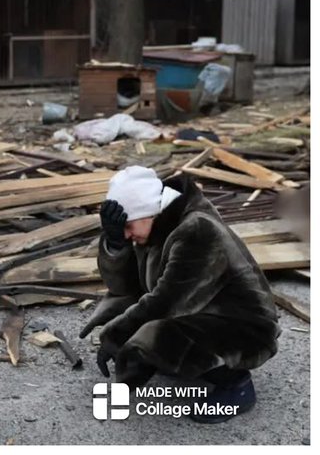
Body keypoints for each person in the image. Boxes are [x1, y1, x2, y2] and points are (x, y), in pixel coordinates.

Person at [81, 166, 278, 420]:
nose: (127, 234)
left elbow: (167, 302)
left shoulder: (197, 231)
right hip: (201, 310)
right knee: (122, 308)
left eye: (128, 226)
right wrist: (115, 245)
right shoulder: (155, 226)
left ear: (148, 212)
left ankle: (236, 385)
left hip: (246, 328)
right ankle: (179, 360)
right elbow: (124, 289)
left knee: (157, 335)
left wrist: (117, 337)